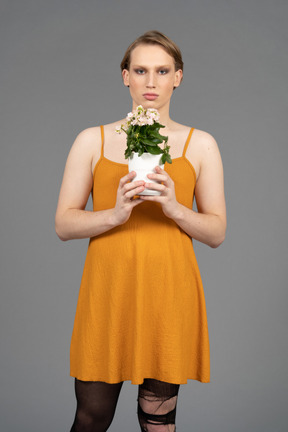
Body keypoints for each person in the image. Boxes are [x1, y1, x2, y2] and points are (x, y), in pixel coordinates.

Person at [55, 30, 226, 432]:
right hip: (109, 289)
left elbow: (216, 231)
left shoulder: (200, 144)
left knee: (158, 421)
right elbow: (63, 223)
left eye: (162, 71)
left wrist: (174, 208)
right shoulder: (91, 140)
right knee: (91, 417)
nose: (151, 82)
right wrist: (114, 215)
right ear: (124, 76)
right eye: (141, 70)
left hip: (168, 290)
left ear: (178, 77)